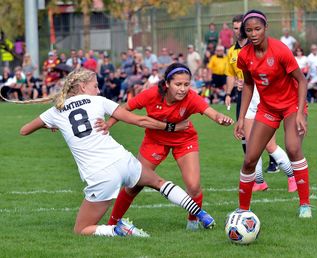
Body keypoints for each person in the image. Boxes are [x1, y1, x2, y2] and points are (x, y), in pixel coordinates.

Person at [17, 68, 216, 238]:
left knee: (81, 229)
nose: (98, 89)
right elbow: (140, 121)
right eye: (95, 86)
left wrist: (55, 125)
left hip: (100, 174)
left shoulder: (56, 111)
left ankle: (117, 230)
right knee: (159, 183)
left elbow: (24, 130)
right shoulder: (99, 102)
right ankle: (201, 214)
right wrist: (172, 127)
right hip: (123, 160)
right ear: (82, 87)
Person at [98, 63, 233, 231]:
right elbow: (125, 108)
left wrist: (220, 118)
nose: (183, 89)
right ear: (167, 83)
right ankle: (112, 224)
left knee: (194, 186)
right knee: (134, 185)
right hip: (155, 140)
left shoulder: (191, 97)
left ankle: (193, 223)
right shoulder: (151, 94)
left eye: (186, 84)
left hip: (184, 139)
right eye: (178, 84)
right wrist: (108, 123)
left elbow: (211, 112)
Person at [234, 10, 311, 218]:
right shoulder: (244, 55)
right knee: (250, 159)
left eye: (257, 29)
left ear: (266, 28)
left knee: (293, 148)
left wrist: (301, 114)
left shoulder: (280, 50)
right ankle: (243, 210)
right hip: (268, 108)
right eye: (248, 30)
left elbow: (302, 81)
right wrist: (241, 118)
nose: (253, 33)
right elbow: (249, 84)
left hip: (291, 105)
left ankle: (305, 205)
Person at [225, 14, 296, 193]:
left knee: (268, 145)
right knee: (250, 143)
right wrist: (230, 91)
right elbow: (233, 75)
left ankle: (292, 176)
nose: (239, 31)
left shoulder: (259, 46)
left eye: (240, 27)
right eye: (236, 28)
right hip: (245, 97)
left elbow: (263, 74)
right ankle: (260, 181)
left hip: (260, 96)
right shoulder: (233, 51)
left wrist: (250, 82)